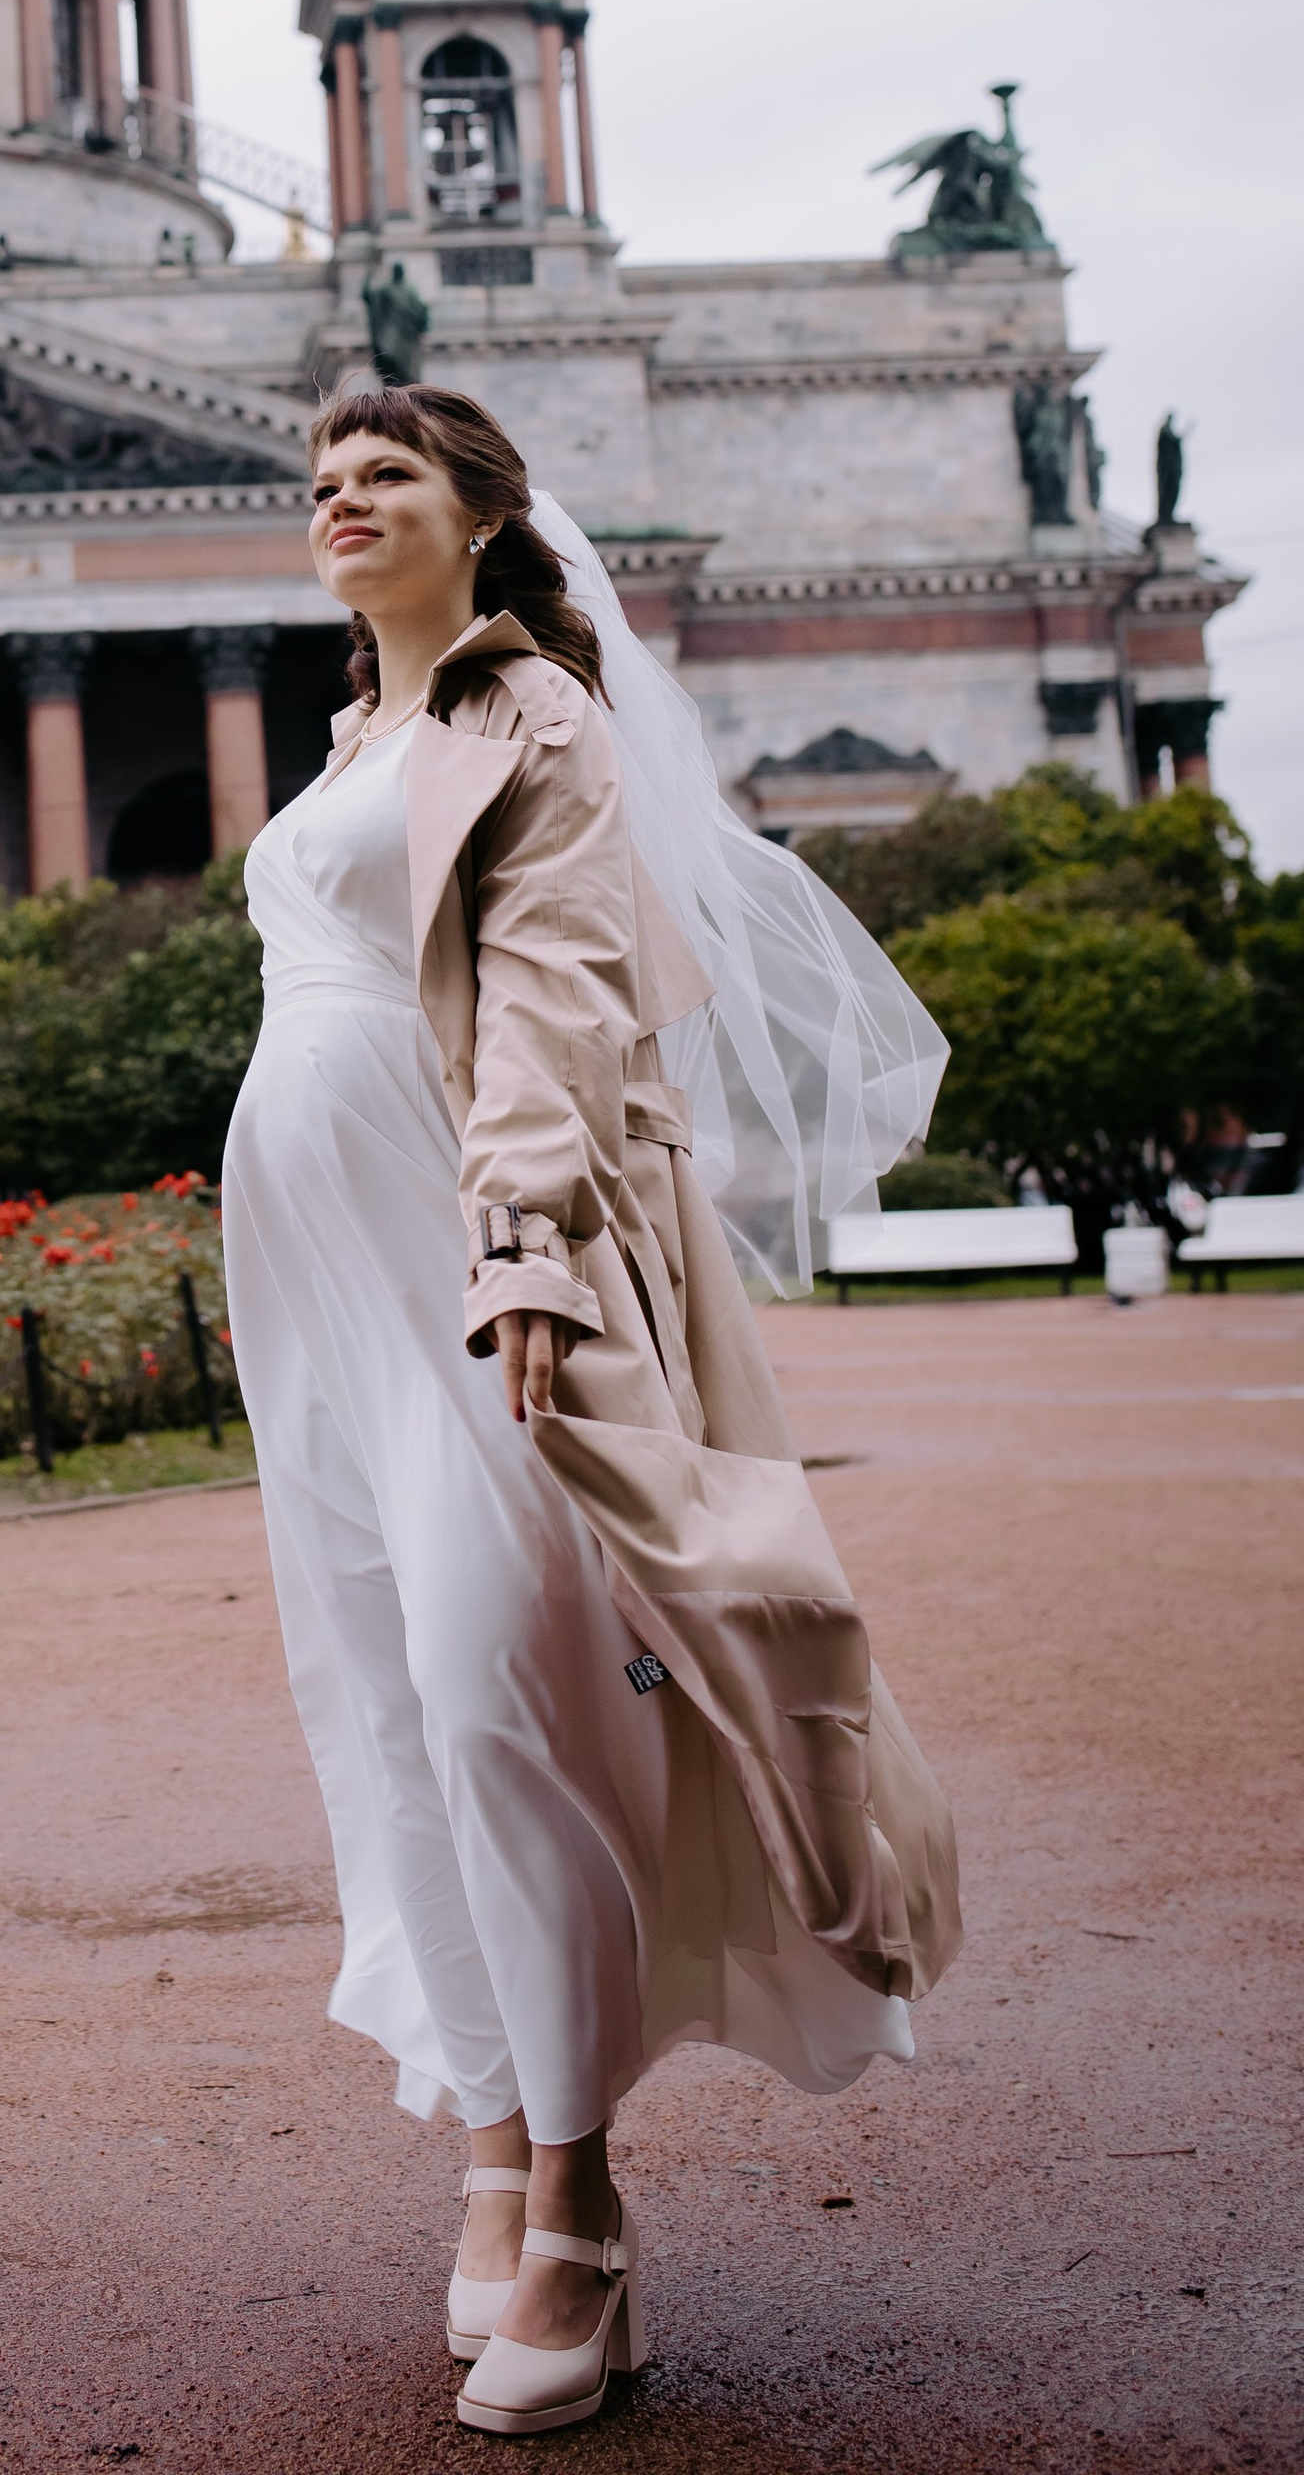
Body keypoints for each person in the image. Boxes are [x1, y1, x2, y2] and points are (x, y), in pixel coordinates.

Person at [220, 382, 961, 2437]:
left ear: (481, 514)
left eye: (383, 477)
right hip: (311, 1283)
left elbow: (551, 986)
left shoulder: (525, 717)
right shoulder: (354, 743)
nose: (338, 504)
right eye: (319, 484)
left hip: (468, 1266)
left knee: (494, 1697)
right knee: (378, 1706)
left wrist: (527, 1242)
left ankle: (575, 2203)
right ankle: (485, 2134)